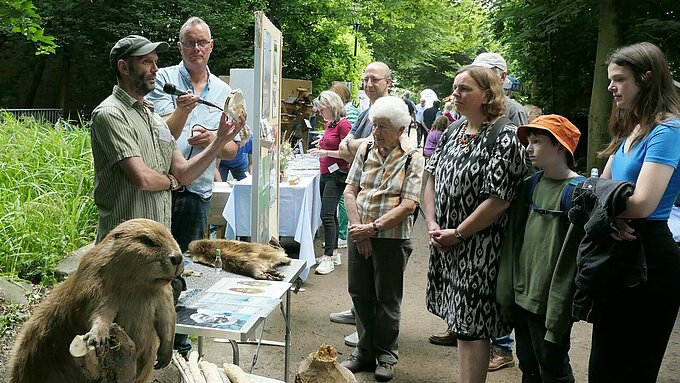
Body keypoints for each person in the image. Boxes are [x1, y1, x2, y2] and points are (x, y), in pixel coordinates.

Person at [424, 65, 528, 383]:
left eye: (464, 89)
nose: (455, 94)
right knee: (461, 325)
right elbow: (429, 176)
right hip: (446, 240)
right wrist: (431, 223)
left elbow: (499, 199)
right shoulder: (454, 131)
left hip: (481, 248)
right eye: (455, 88)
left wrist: (458, 233)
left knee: (473, 325)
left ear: (487, 94)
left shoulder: (505, 136)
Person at [90, 34, 241, 243]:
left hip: (157, 240)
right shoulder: (111, 113)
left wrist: (220, 140)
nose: (155, 69)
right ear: (123, 67)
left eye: (155, 62)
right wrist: (172, 182)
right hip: (124, 245)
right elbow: (143, 179)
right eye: (146, 62)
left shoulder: (154, 118)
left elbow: (185, 173)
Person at [589, 42, 680, 382]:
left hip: (650, 260)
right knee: (603, 366)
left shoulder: (668, 131)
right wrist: (607, 206)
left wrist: (602, 201)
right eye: (611, 79)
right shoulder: (631, 129)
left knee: (633, 370)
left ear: (647, 78)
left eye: (619, 79)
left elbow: (642, 203)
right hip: (617, 247)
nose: (611, 87)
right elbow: (596, 189)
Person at [339, 96, 424, 382]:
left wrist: (372, 229)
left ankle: (386, 355)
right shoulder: (364, 150)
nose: (376, 132)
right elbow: (350, 190)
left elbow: (409, 204)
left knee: (387, 298)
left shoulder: (413, 156)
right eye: (375, 125)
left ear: (401, 130)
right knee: (360, 292)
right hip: (360, 231)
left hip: (391, 237)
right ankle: (363, 352)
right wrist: (357, 228)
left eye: (383, 126)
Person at [496, 114, 583, 382]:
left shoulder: (579, 192)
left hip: (551, 301)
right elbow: (514, 239)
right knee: (528, 365)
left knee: (553, 368)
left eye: (537, 142)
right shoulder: (529, 185)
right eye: (528, 141)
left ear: (560, 147)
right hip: (523, 296)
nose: (528, 148)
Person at [146, 16, 239, 252]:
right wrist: (182, 111)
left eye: (201, 42)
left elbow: (231, 151)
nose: (195, 48)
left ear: (211, 46)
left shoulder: (224, 91)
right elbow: (158, 131)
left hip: (198, 192)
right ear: (180, 47)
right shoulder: (162, 80)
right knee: (154, 261)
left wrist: (213, 141)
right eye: (189, 43)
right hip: (162, 189)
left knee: (187, 265)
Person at [332, 62, 393, 345]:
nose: (369, 84)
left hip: (382, 200)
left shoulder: (394, 109)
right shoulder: (365, 111)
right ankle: (360, 315)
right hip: (360, 193)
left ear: (388, 81)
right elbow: (346, 147)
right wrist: (356, 145)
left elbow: (360, 146)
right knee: (360, 272)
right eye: (365, 79)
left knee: (381, 276)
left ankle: (374, 336)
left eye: (375, 79)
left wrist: (356, 145)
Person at [308, 90, 352, 275]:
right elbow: (331, 143)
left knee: (326, 214)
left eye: (321, 109)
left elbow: (348, 153)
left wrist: (326, 153)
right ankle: (333, 253)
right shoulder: (330, 124)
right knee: (329, 214)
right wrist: (322, 145)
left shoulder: (343, 125)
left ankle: (329, 257)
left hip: (336, 175)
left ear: (331, 106)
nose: (319, 113)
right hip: (326, 172)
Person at [330, 83, 359, 249]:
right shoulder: (349, 111)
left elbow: (348, 141)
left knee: (344, 198)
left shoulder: (349, 113)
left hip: (345, 163)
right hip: (345, 162)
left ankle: (342, 234)